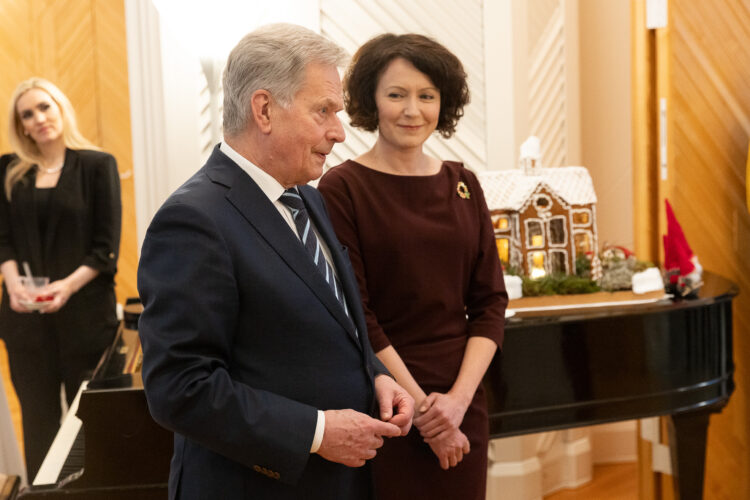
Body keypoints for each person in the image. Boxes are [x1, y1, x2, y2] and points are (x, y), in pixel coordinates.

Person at [137, 24, 414, 500]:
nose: (338, 132)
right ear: (263, 109)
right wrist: (318, 432)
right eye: (323, 111)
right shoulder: (192, 219)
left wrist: (377, 377)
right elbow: (179, 388)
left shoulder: (308, 198)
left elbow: (330, 323)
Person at [318, 33, 508, 500]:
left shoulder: (464, 184)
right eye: (396, 94)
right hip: (388, 402)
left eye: (427, 96)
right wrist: (425, 412)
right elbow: (357, 314)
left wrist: (458, 403)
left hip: (463, 400)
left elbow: (490, 302)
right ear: (370, 100)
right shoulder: (341, 189)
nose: (412, 110)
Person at [0, 77, 121, 479]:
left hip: (85, 319)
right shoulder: (9, 171)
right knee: (37, 423)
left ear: (60, 108)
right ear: (21, 126)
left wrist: (66, 286)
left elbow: (105, 250)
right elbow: (2, 240)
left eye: (44, 107)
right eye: (27, 115)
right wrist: (14, 283)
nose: (38, 119)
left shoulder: (97, 165)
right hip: (25, 324)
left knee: (86, 422)